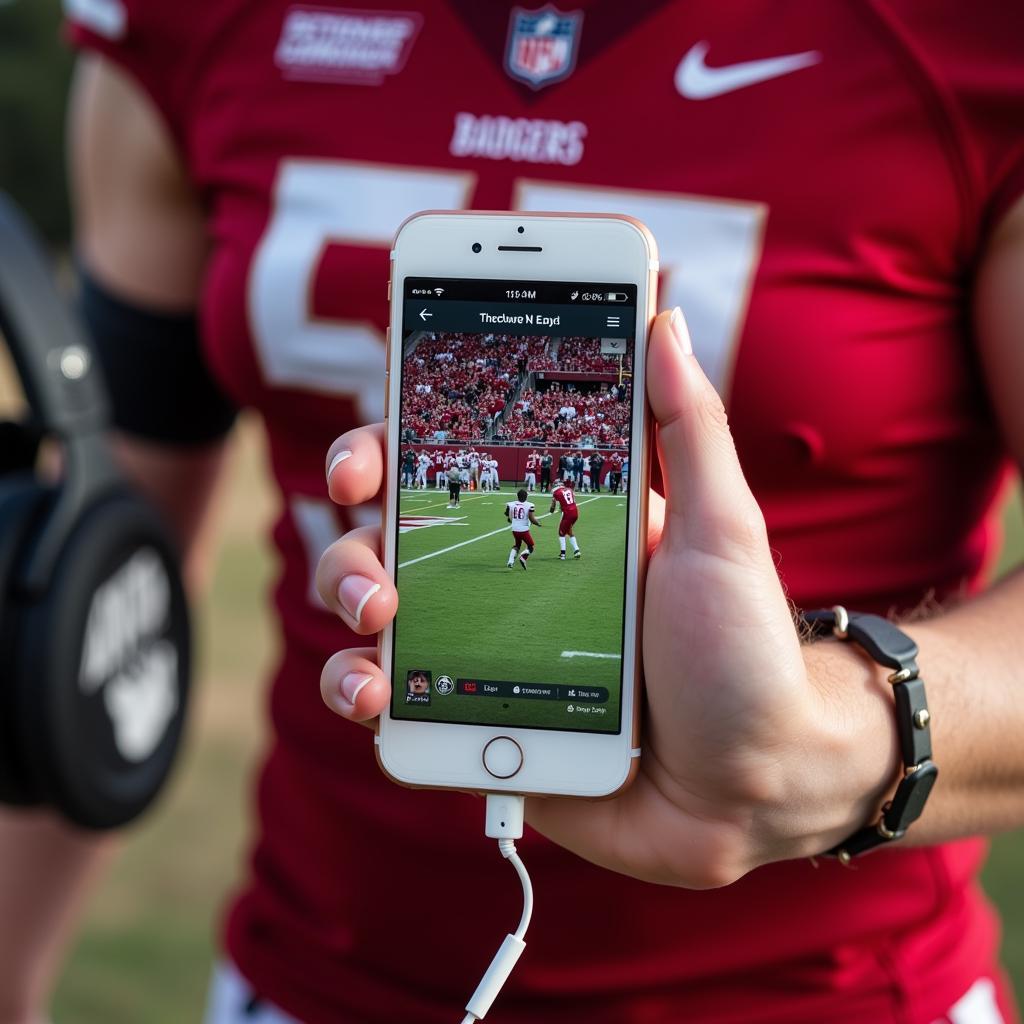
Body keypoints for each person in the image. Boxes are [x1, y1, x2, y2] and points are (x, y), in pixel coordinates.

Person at [9, 4, 1021, 1024]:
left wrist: (832, 739)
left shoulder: (963, 37)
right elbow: (98, 566)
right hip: (317, 970)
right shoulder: (198, 23)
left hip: (830, 994)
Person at [505, 487, 543, 570]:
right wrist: (538, 524)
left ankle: (510, 562)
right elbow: (532, 519)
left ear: (517, 496)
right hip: (524, 530)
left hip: (514, 529)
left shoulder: (511, 504)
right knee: (531, 547)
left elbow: (507, 514)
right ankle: (523, 557)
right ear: (526, 497)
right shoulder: (530, 505)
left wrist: (510, 518)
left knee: (517, 545)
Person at [550, 477, 582, 560]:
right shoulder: (569, 489)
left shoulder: (556, 492)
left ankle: (562, 554)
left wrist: (551, 510)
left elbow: (553, 507)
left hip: (568, 513)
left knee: (561, 533)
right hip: (575, 512)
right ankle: (577, 550)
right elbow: (572, 500)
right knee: (568, 530)